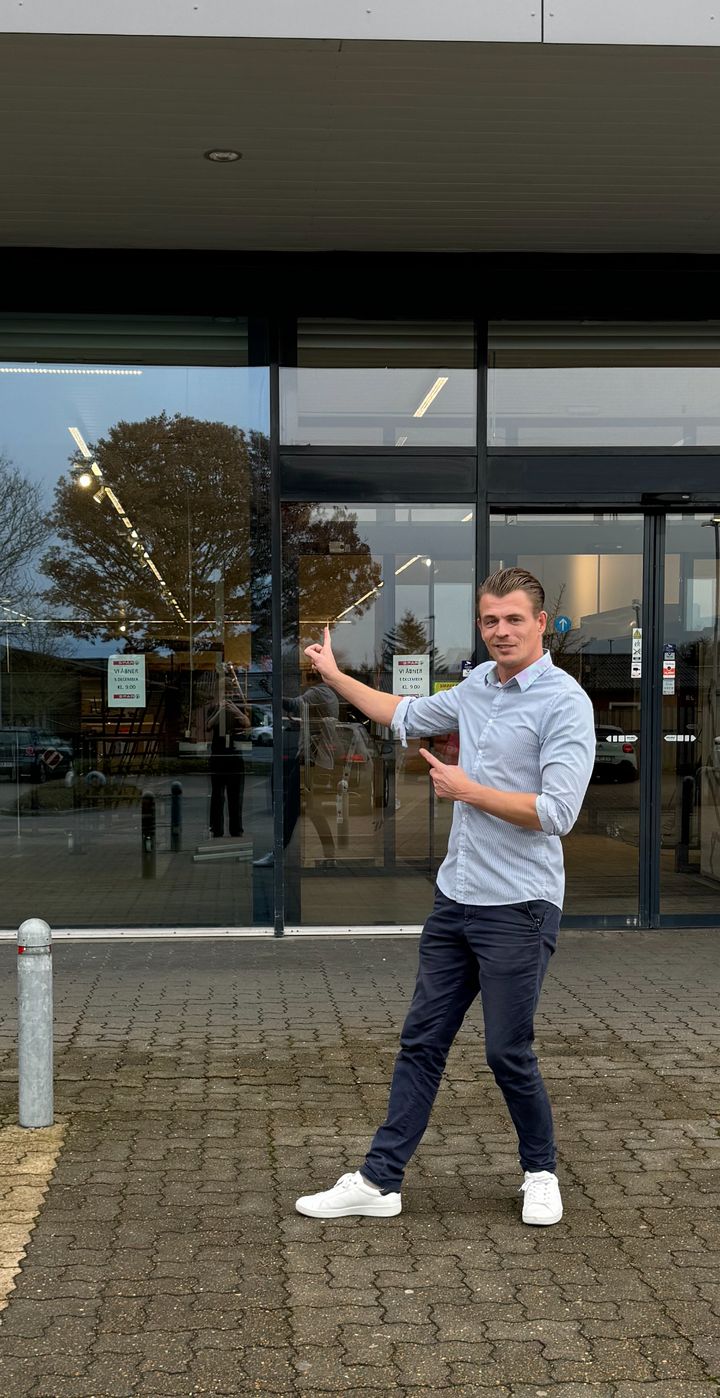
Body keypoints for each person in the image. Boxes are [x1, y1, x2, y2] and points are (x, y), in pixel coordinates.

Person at [295, 567, 595, 1226]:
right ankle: (379, 1182)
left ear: (541, 624)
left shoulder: (565, 702)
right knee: (422, 1042)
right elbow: (400, 713)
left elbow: (558, 812)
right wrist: (334, 675)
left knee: (505, 1050)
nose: (501, 631)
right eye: (491, 620)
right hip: (456, 899)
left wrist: (469, 792)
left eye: (514, 619)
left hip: (519, 905)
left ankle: (540, 1171)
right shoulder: (477, 687)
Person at [253, 675, 340, 868]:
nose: (301, 680)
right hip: (317, 761)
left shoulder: (318, 692)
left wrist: (272, 692)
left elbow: (293, 704)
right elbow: (312, 718)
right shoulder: (329, 694)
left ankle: (277, 853)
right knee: (314, 811)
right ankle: (329, 855)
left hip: (309, 762)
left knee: (290, 810)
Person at [207, 694, 249, 838]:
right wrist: (220, 711)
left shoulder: (239, 707)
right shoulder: (214, 708)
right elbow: (209, 725)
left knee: (235, 795)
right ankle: (216, 828)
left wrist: (235, 710)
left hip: (234, 756)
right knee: (217, 795)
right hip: (218, 756)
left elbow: (247, 724)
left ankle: (236, 829)